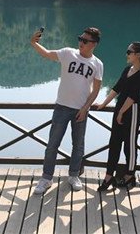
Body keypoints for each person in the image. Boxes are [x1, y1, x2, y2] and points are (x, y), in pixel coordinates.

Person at [30, 27, 104, 194]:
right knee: (52, 145)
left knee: (78, 145)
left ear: (94, 44)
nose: (81, 42)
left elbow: (96, 90)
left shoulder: (97, 64)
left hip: (80, 110)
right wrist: (34, 43)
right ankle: (46, 178)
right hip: (61, 107)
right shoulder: (68, 53)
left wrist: (85, 108)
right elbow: (47, 54)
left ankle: (73, 175)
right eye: (80, 38)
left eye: (85, 40)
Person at [96, 42, 140, 191]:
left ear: (138, 55)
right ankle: (108, 176)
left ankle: (129, 175)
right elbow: (117, 88)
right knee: (114, 143)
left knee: (129, 146)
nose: (127, 54)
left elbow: (133, 96)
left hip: (132, 112)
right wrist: (104, 103)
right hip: (120, 108)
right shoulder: (127, 69)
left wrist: (121, 112)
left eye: (129, 52)